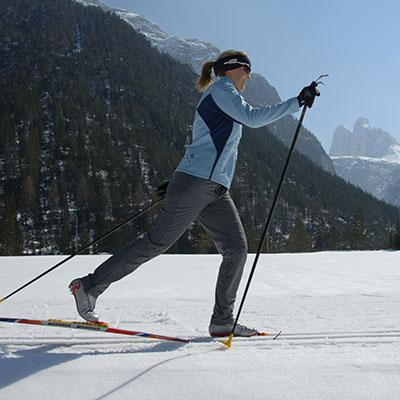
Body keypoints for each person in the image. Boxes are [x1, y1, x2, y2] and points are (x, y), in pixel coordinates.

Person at [69, 50, 319, 337]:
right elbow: (252, 119)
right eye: (247, 71)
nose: (249, 77)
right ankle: (88, 286)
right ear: (233, 69)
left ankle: (222, 321)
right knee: (155, 243)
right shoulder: (221, 90)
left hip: (214, 190)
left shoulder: (225, 95)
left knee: (236, 250)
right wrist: (296, 102)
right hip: (196, 183)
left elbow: (205, 143)